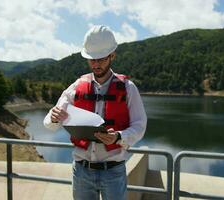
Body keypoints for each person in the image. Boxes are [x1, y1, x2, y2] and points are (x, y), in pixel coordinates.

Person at [43, 25, 147, 200]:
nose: (96, 64)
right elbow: (49, 123)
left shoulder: (128, 88)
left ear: (112, 55)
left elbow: (140, 126)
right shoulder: (77, 86)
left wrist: (119, 136)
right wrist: (54, 117)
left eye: (101, 59)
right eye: (92, 60)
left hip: (113, 172)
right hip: (81, 171)